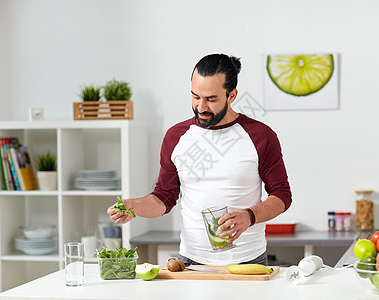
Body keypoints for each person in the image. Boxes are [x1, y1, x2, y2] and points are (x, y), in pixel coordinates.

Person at [107, 53, 292, 266]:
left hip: (247, 261)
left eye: (211, 99)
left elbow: (282, 195)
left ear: (232, 96)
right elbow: (164, 197)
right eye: (195, 97)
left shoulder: (260, 136)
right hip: (191, 261)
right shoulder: (176, 136)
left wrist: (249, 216)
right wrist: (134, 206)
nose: (201, 107)